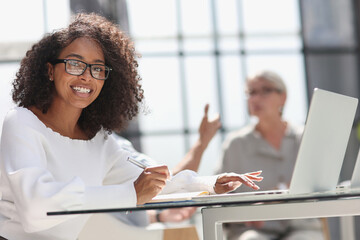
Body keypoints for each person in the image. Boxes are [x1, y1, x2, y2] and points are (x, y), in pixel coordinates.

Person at [0, 13, 263, 240]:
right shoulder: (22, 123)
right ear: (49, 70)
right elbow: (36, 209)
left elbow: (152, 180)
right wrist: (129, 194)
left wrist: (212, 182)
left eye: (98, 68)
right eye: (75, 64)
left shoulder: (100, 142)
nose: (86, 76)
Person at [217, 70, 324, 240]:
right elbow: (220, 196)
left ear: (283, 97)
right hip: (251, 231)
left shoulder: (305, 138)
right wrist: (245, 213)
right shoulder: (235, 144)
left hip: (301, 227)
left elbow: (320, 183)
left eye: (265, 90)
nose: (256, 98)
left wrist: (273, 198)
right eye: (251, 92)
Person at [114, 103, 222, 226]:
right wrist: (202, 142)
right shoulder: (111, 144)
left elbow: (163, 180)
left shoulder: (111, 143)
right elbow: (165, 180)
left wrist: (159, 216)